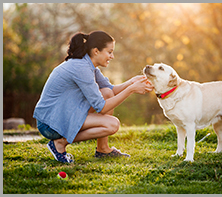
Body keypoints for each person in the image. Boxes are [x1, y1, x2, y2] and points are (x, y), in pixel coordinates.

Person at [33, 30, 154, 163]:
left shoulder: (88, 66)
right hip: (50, 124)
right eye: (109, 52)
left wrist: (132, 82)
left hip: (64, 115)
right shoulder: (81, 68)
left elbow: (112, 90)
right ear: (96, 51)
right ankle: (60, 142)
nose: (112, 56)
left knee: (107, 93)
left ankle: (103, 149)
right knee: (112, 125)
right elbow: (101, 107)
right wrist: (131, 89)